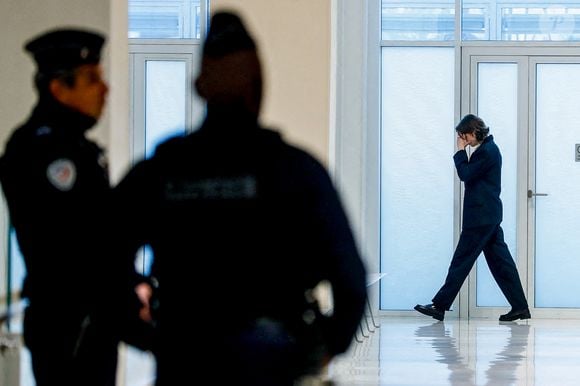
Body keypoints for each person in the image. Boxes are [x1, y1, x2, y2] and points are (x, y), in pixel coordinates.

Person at [112, 11, 368, 386]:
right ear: (258, 87)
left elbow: (100, 263)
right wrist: (329, 345)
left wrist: (146, 336)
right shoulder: (297, 171)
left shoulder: (159, 173)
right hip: (276, 359)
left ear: (200, 87)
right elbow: (350, 279)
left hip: (184, 357)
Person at [0, 28, 147, 386]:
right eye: (91, 79)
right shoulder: (43, 151)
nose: (105, 89)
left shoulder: (77, 149)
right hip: (71, 326)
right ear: (58, 88)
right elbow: (82, 244)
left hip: (87, 322)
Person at [414, 114, 530, 322]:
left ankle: (439, 306)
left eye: (464, 136)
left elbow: (465, 174)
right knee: (502, 264)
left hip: (481, 217)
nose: (462, 140)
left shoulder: (487, 152)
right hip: (488, 216)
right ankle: (520, 307)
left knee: (461, 261)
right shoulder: (488, 149)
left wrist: (459, 151)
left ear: (475, 131)